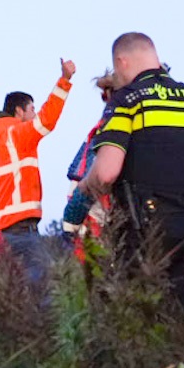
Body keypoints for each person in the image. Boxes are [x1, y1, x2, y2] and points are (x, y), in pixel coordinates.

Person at [77, 33, 184, 318]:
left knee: (141, 322)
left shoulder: (126, 101)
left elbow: (106, 173)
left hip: (145, 231)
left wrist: (83, 188)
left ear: (121, 61)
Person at [0, 60, 77, 279]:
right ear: (19, 111)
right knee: (40, 295)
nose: (34, 114)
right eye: (32, 109)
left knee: (10, 297)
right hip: (22, 231)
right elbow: (47, 120)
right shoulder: (17, 134)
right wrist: (65, 80)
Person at [59, 71, 118, 254]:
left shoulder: (101, 131)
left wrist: (70, 224)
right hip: (99, 223)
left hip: (97, 223)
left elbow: (82, 179)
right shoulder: (109, 130)